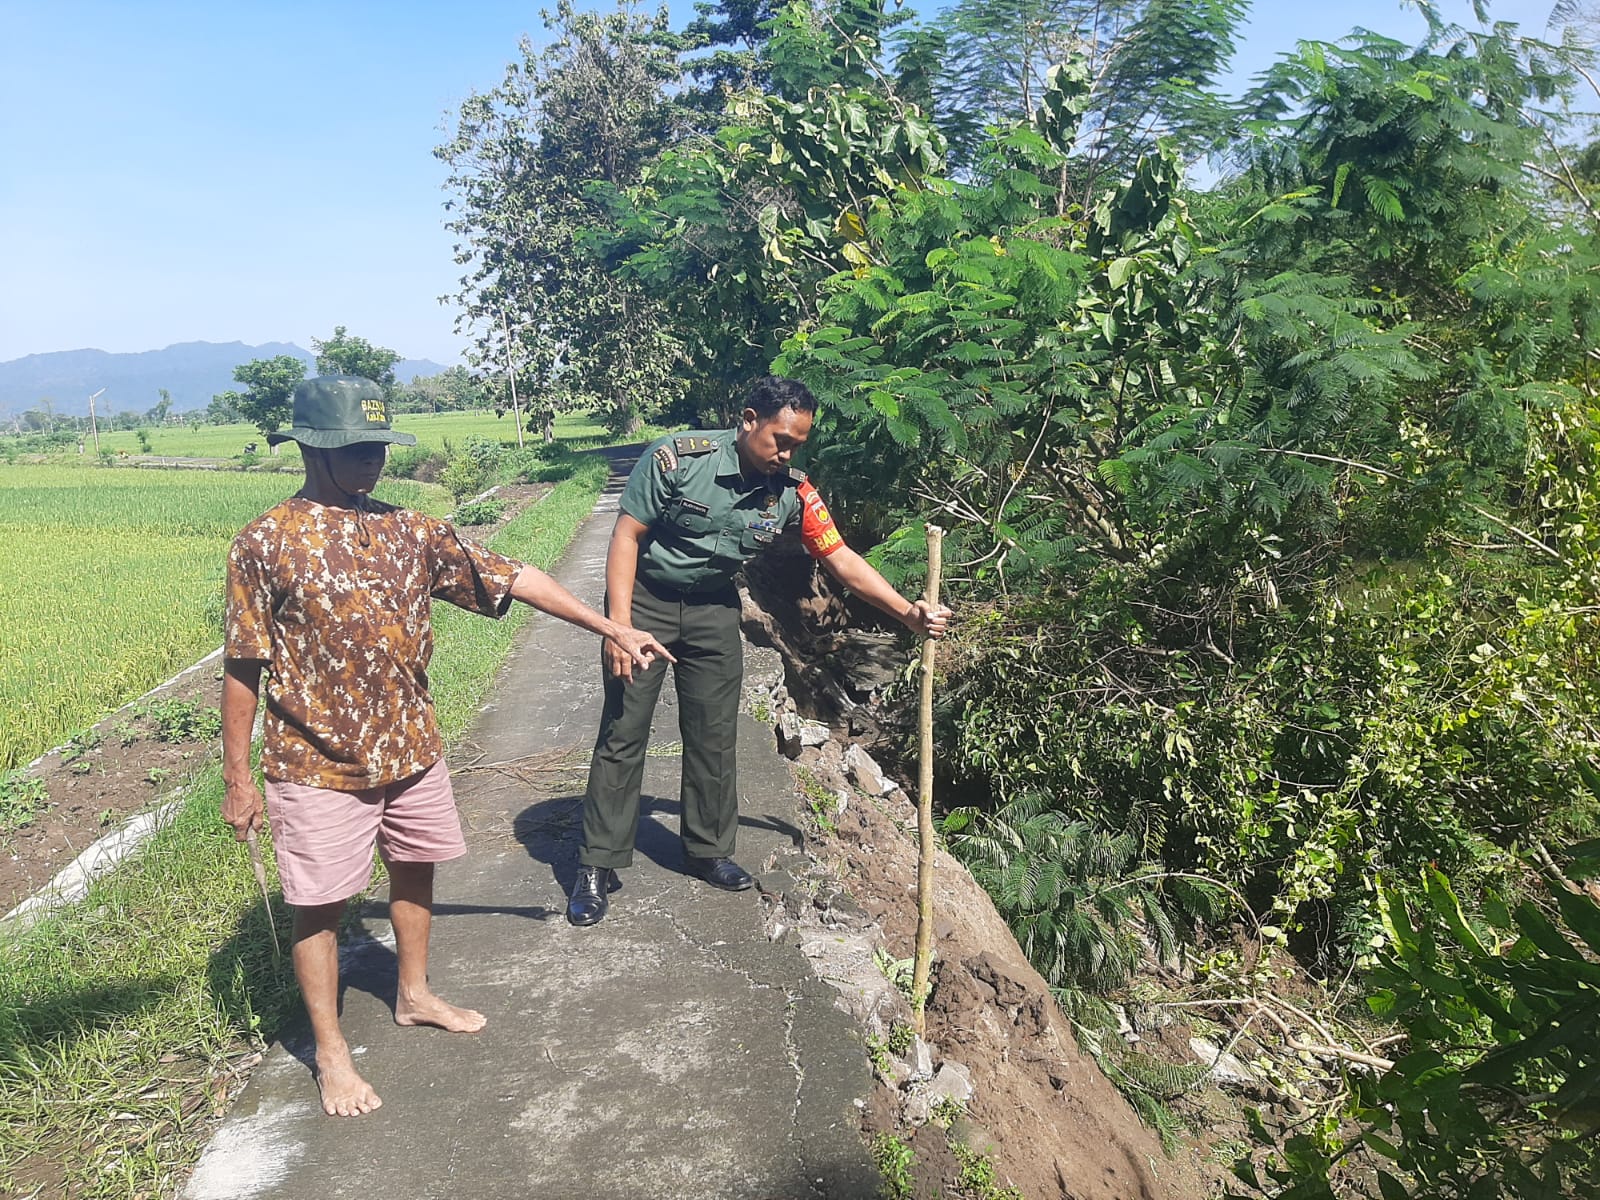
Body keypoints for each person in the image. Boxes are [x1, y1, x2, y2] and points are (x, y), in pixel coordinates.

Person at [221, 375, 671, 1117]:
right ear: (311, 447)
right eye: (357, 449)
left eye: (379, 448)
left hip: (412, 750)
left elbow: (512, 575)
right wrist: (240, 780)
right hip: (314, 762)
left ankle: (416, 992)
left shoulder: (409, 530)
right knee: (321, 905)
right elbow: (244, 666)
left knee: (416, 868)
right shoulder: (265, 542)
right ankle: (331, 1053)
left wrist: (610, 627)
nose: (372, 463)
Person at [568, 376, 951, 926]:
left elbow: (839, 558)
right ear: (748, 419)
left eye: (798, 443)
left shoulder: (793, 492)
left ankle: (706, 850)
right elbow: (626, 537)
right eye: (780, 439)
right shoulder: (676, 460)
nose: (788, 452)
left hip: (713, 610)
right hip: (646, 601)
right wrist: (618, 627)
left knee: (714, 732)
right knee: (625, 730)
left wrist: (906, 614)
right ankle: (595, 864)